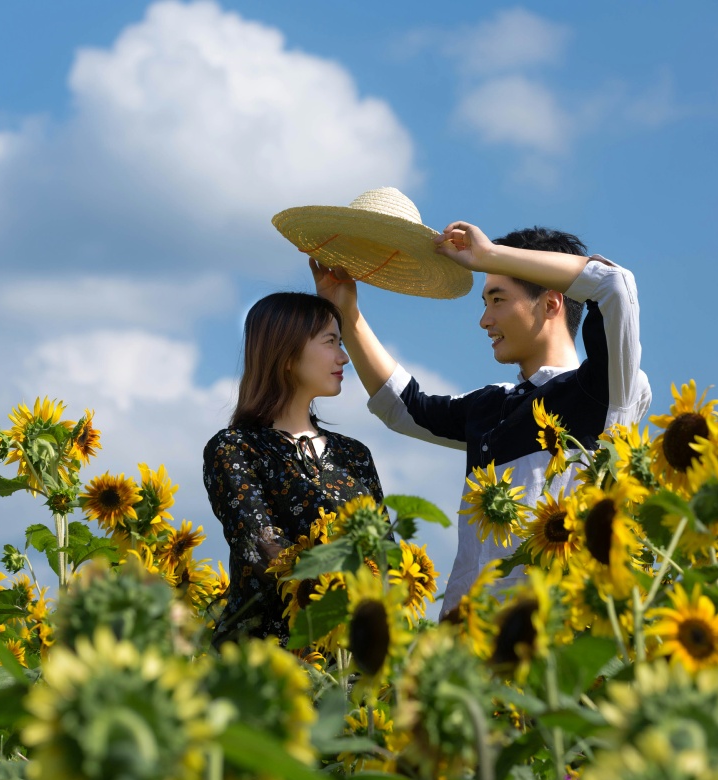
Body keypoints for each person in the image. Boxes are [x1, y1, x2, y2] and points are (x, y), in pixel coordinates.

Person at [311, 221, 651, 616]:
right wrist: (347, 312)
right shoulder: (489, 405)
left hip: (555, 640)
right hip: (468, 646)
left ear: (552, 303)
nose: (484, 320)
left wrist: (489, 255)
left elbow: (615, 284)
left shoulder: (606, 391)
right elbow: (405, 408)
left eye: (498, 299)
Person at [203, 292, 385, 645]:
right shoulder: (236, 448)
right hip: (264, 663)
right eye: (331, 342)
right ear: (286, 354)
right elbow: (262, 548)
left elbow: (386, 557)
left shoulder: (354, 454)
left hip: (350, 662)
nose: (343, 356)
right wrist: (340, 588)